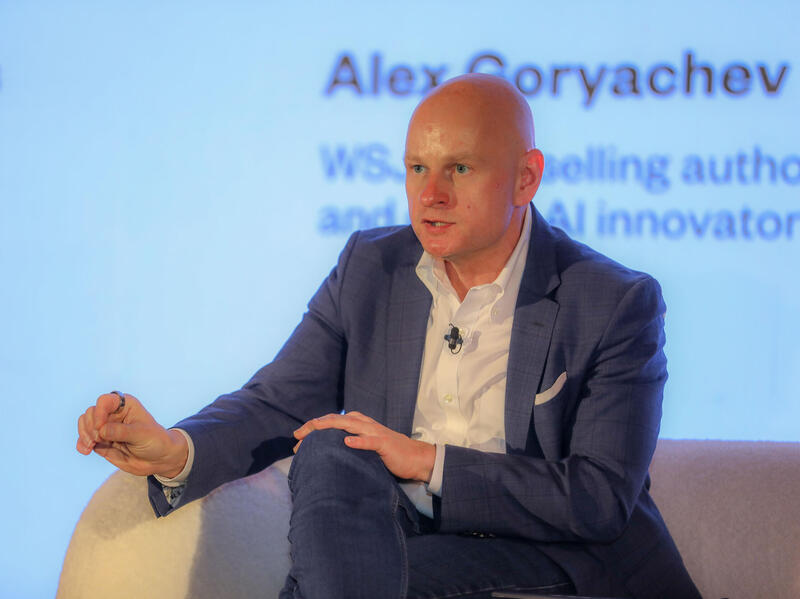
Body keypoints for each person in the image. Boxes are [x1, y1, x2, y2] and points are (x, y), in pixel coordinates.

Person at [76, 73, 700, 599]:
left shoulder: (612, 301)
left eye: (460, 168)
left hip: (557, 558)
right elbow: (278, 400)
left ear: (525, 179)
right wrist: (176, 449)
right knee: (332, 452)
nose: (431, 195)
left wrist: (426, 462)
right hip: (397, 543)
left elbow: (597, 498)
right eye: (417, 169)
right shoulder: (370, 266)